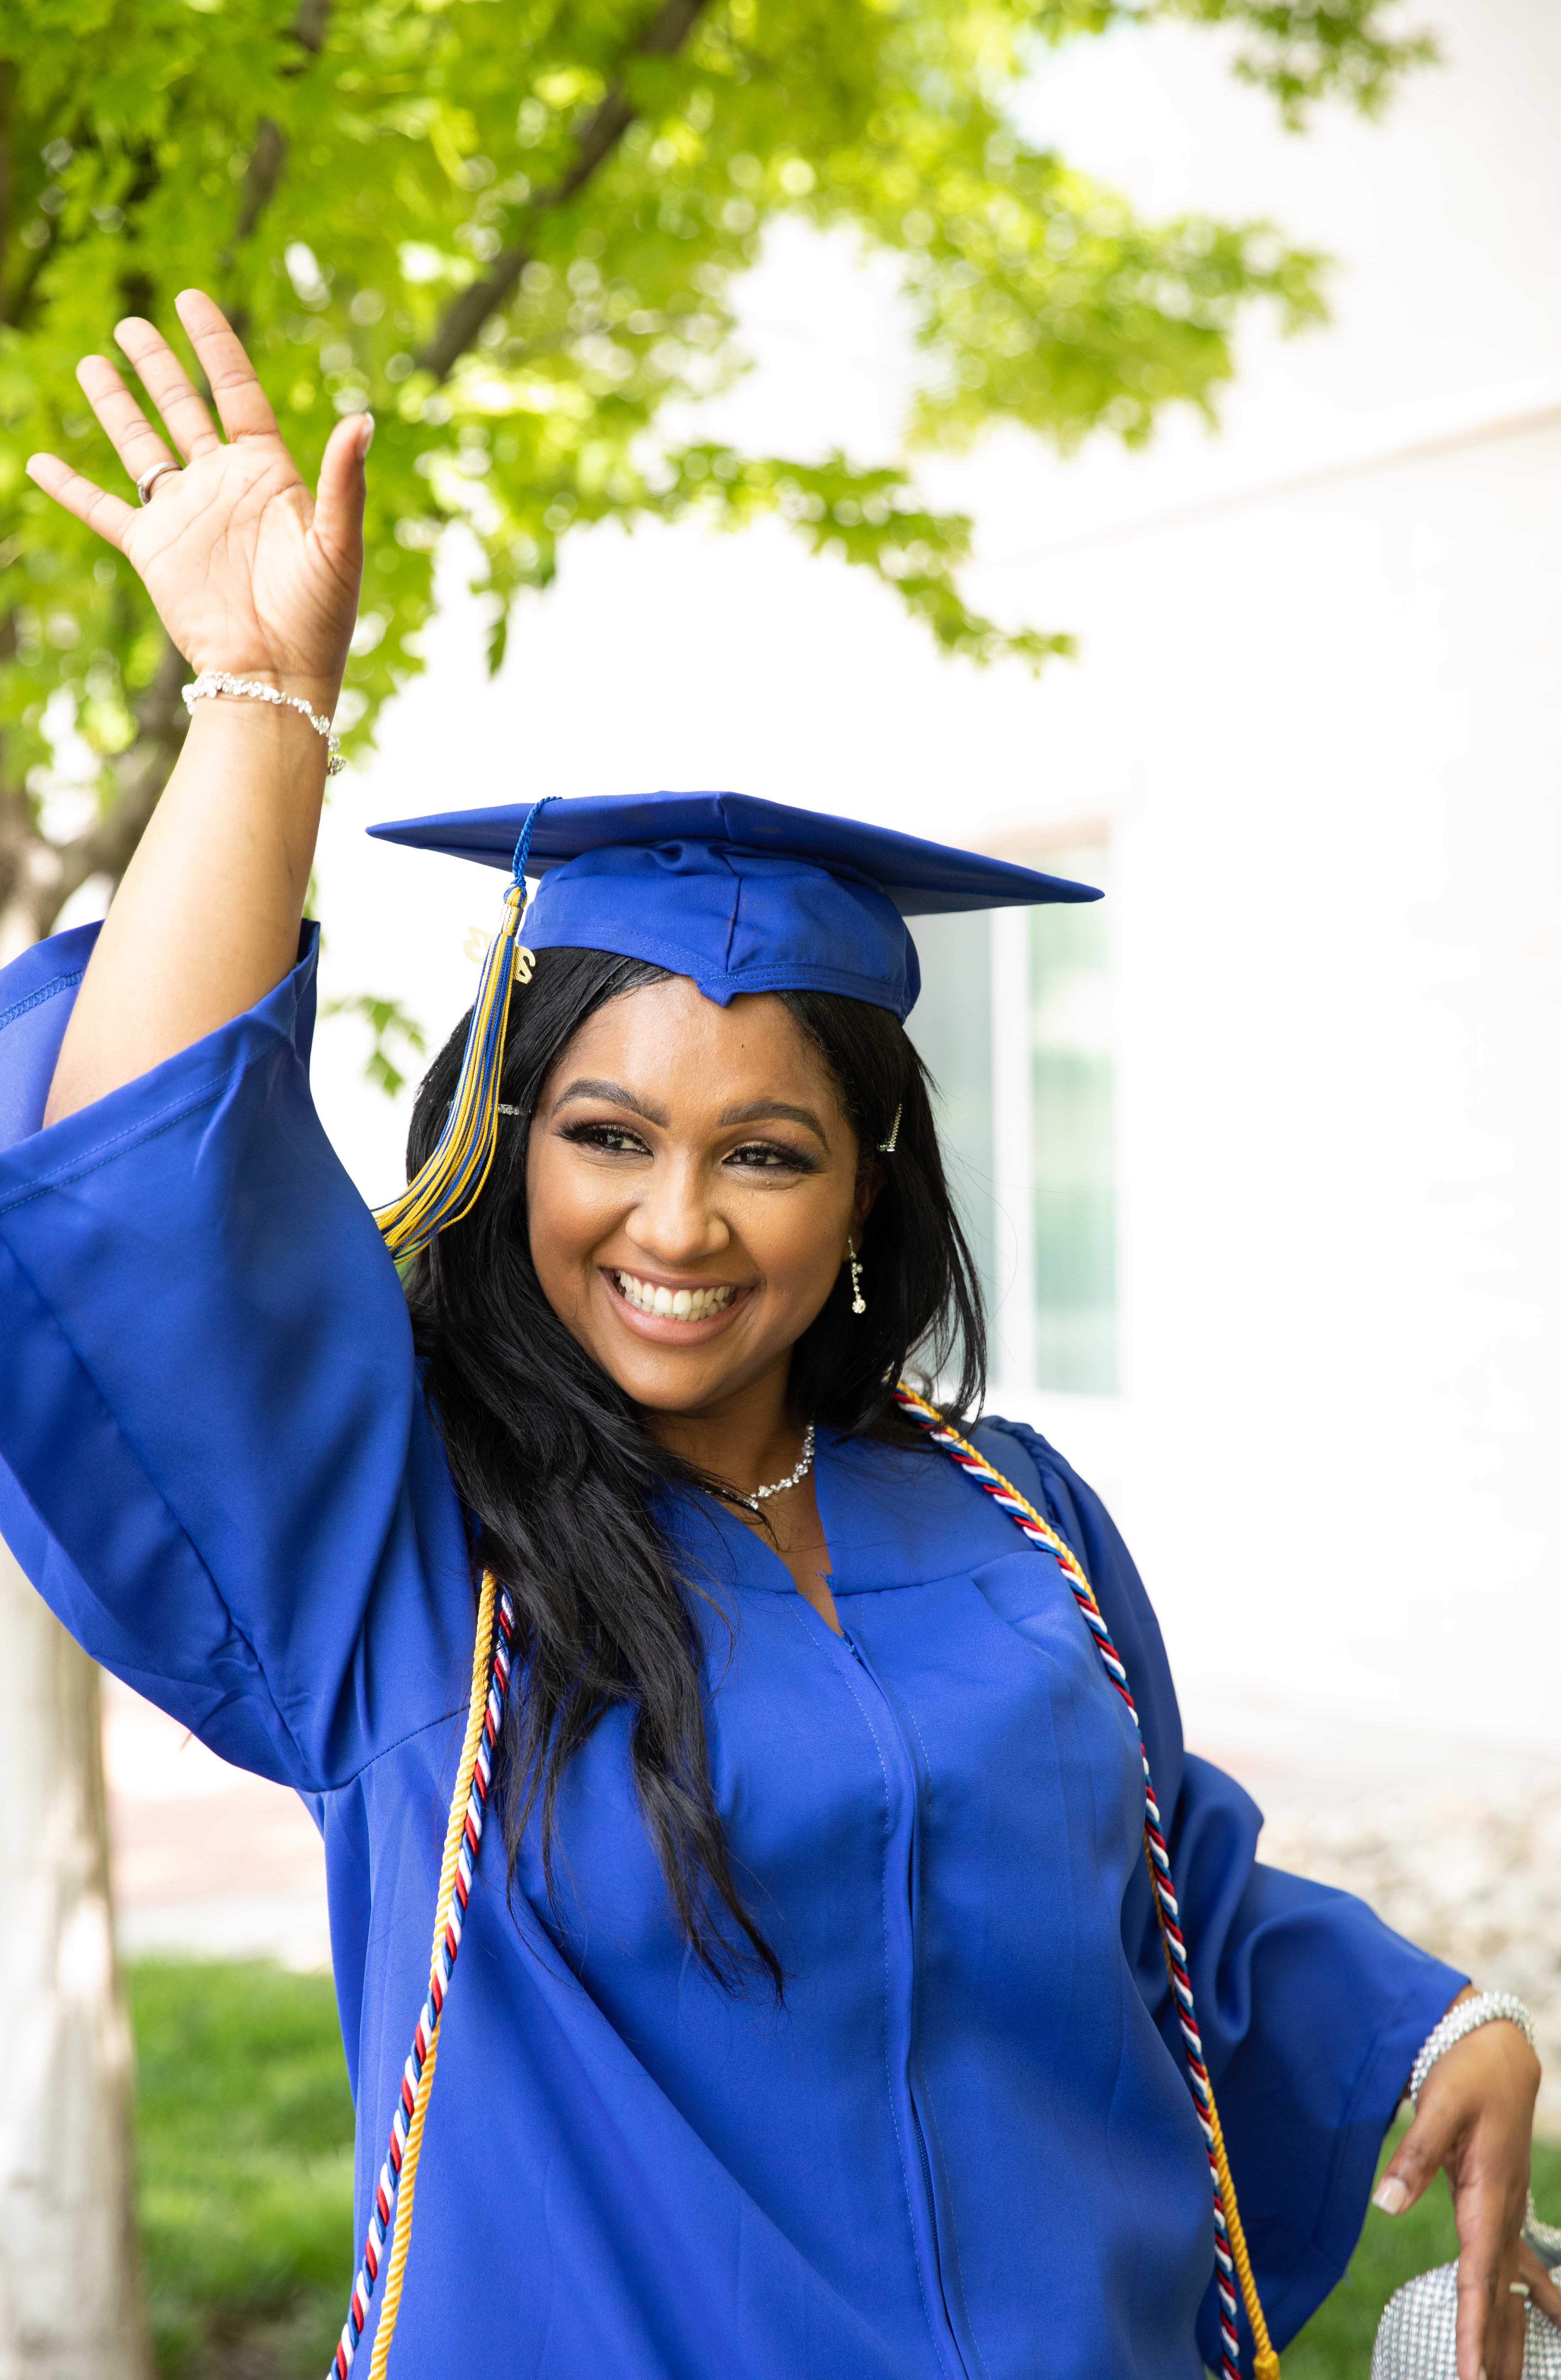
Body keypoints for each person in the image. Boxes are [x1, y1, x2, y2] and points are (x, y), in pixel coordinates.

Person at [0, 289, 1549, 2380]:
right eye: (610, 1138)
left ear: (865, 1196)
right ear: (501, 1147)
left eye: (768, 1155)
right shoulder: (404, 1554)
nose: (678, 1223)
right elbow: (142, 1194)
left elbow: (1139, 1861)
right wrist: (262, 700)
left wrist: (1423, 2022)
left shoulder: (1011, 1508)